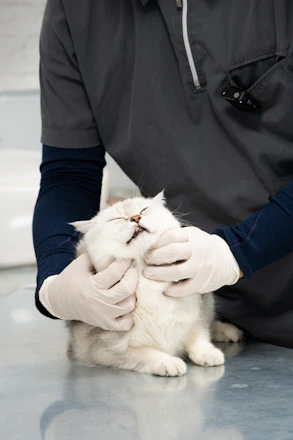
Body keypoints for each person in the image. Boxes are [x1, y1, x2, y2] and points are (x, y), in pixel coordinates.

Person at [33, 0, 293, 348]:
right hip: (211, 322)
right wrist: (54, 281)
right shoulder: (74, 12)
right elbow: (69, 174)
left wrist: (237, 250)